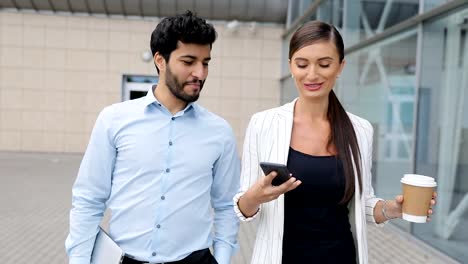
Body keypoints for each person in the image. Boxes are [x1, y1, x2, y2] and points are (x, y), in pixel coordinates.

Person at [233, 20, 437, 264]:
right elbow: (244, 208)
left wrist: (394, 208)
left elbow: (362, 206)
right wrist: (254, 197)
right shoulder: (263, 124)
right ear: (290, 66)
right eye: (302, 64)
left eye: (324, 64)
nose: (312, 74)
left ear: (340, 66)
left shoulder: (360, 130)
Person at [65, 11, 240, 264]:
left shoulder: (219, 131)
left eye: (205, 62)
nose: (200, 73)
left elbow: (226, 206)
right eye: (189, 61)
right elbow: (89, 199)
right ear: (160, 60)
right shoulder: (114, 120)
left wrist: (222, 260)